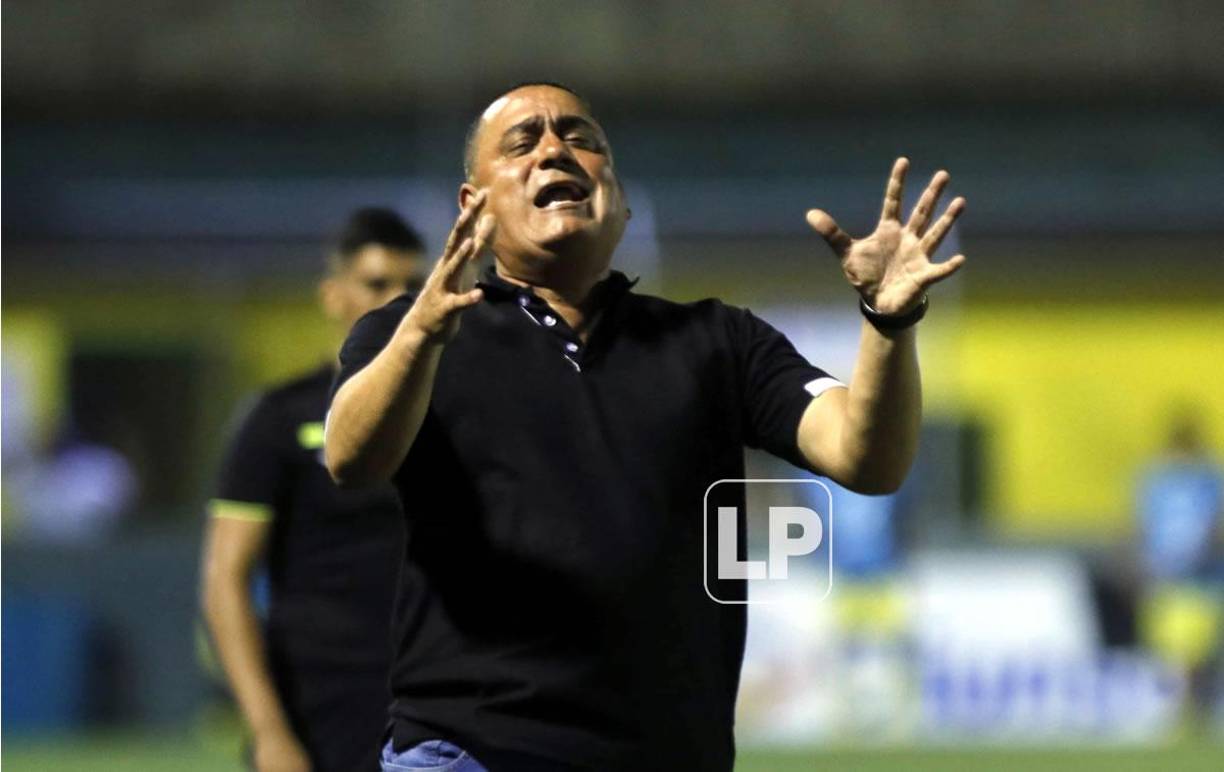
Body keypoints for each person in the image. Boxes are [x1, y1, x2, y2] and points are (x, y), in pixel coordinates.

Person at [325, 83, 966, 772]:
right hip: (471, 752)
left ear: (622, 204)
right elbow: (351, 459)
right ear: (470, 204)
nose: (554, 150)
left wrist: (890, 324)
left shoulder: (720, 341)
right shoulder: (408, 337)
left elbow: (867, 460)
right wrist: (423, 329)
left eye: (582, 139)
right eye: (523, 142)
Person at [201, 208, 428, 772]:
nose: (399, 299)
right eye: (378, 284)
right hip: (316, 707)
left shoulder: (450, 410)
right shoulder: (279, 418)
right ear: (333, 296)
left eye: (414, 286)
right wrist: (269, 730)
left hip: (433, 707)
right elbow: (225, 580)